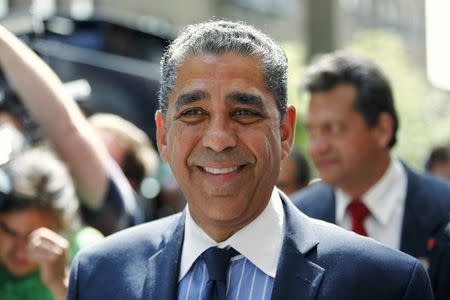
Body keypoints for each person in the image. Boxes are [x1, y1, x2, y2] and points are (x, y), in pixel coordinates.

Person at [67, 20, 432, 300]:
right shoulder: (100, 275)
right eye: (194, 112)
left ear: (285, 132)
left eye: (244, 112)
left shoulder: (386, 284)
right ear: (163, 135)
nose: (219, 139)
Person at [290, 51, 450, 299]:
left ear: (382, 129)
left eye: (333, 128)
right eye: (313, 131)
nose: (317, 147)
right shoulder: (297, 218)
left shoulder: (444, 209)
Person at [0, 24, 144, 235]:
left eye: (97, 148)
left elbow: (68, 130)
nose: (64, 148)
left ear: (127, 180)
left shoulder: (119, 214)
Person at [0, 147, 103, 300]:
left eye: (33, 237)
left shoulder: (87, 252)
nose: (20, 251)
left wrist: (60, 284)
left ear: (63, 226)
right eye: (10, 232)